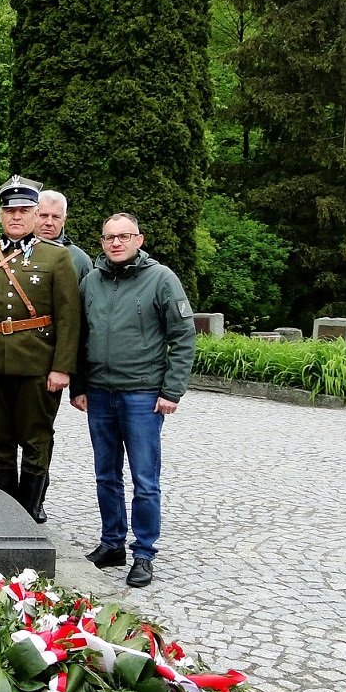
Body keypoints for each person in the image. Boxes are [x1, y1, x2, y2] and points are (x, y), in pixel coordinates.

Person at [71, 213, 196, 588]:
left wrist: (171, 390)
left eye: (124, 236)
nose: (116, 243)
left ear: (139, 239)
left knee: (145, 478)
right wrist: (78, 385)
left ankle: (144, 552)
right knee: (106, 475)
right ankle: (112, 543)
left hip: (142, 393)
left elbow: (183, 336)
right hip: (99, 392)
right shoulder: (91, 281)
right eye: (109, 237)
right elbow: (79, 336)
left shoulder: (161, 279)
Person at [0, 176, 81, 521]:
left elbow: (68, 317)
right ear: (0, 215)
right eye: (9, 210)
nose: (16, 217)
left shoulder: (56, 258)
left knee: (35, 440)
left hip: (37, 365)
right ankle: (5, 514)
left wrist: (62, 367)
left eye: (24, 211)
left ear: (35, 214)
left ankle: (29, 513)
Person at [34, 189, 93, 279]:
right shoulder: (17, 250)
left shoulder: (79, 259)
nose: (49, 222)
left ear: (64, 220)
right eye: (44, 216)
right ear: (34, 216)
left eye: (56, 217)